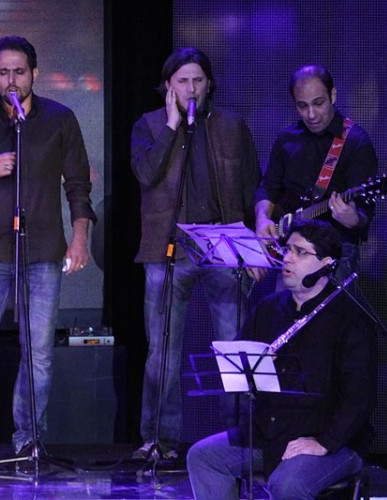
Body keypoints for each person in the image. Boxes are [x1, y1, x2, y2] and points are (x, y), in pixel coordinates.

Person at [0, 36, 96, 465]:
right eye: (4, 72)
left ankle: (29, 438)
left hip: (42, 251)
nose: (12, 80)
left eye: (20, 72)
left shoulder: (59, 119)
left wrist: (79, 237)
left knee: (38, 352)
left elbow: (78, 185)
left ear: (34, 74)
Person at [130, 47, 261, 460]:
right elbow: (146, 174)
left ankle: (237, 438)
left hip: (223, 243)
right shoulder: (149, 125)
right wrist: (172, 126)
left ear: (209, 84)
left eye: (198, 80)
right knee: (162, 350)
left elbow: (252, 186)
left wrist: (253, 247)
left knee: (234, 344)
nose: (191, 88)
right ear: (169, 86)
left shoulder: (231, 126)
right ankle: (159, 439)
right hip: (167, 247)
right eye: (183, 81)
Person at [186, 220, 377, 499]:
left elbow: (359, 399)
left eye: (300, 252)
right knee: (203, 457)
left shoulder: (350, 318)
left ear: (326, 263)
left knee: (287, 484)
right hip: (271, 432)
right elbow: (238, 364)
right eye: (288, 250)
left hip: (330, 438)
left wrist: (323, 443)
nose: (288, 258)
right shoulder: (268, 309)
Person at [255, 64, 379, 282]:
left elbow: (363, 213)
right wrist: (262, 218)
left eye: (318, 103)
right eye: (302, 106)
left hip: (334, 251)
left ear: (333, 96)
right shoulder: (287, 140)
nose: (311, 114)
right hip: (289, 249)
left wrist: (354, 219)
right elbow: (268, 187)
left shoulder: (356, 142)